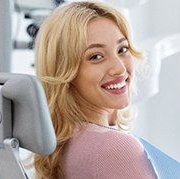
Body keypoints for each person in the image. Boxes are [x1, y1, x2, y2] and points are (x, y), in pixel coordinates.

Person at [32, 1, 157, 179]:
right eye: (96, 57)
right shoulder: (116, 148)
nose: (119, 68)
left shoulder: (63, 144)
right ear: (66, 72)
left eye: (122, 49)